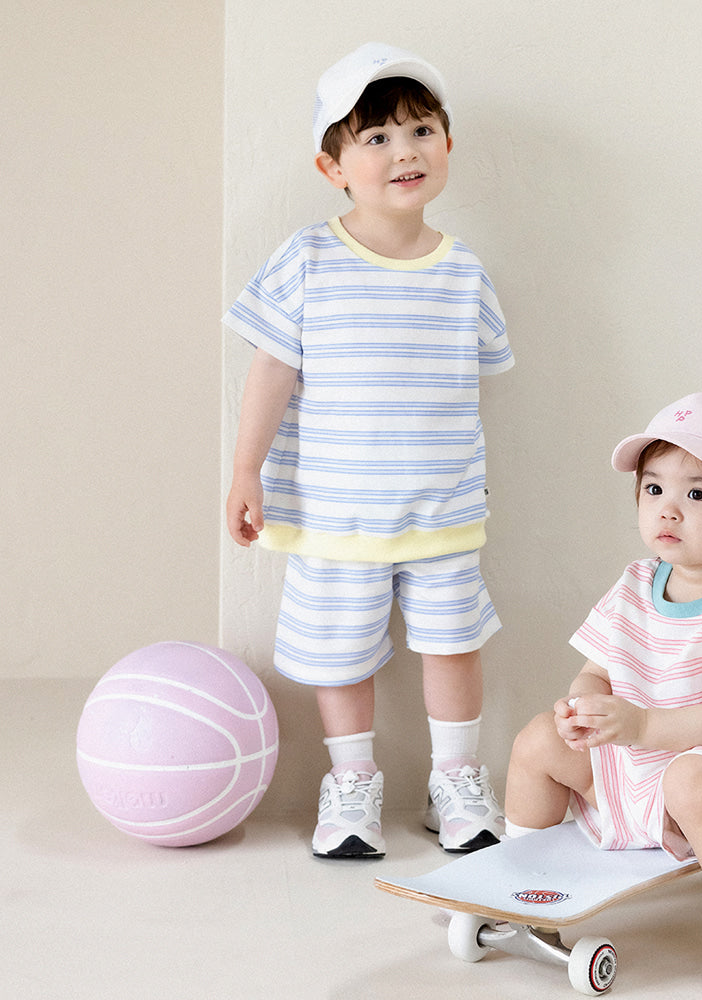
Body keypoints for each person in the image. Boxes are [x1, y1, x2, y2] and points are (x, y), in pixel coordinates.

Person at [224, 43, 513, 859]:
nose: (403, 151)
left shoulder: (464, 272)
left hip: (442, 509)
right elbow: (271, 370)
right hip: (334, 509)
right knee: (338, 652)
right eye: (376, 138)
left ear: (447, 145)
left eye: (420, 131)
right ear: (333, 167)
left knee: (452, 643)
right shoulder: (306, 259)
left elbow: (476, 385)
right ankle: (351, 782)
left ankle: (456, 780)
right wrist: (245, 470)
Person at [505, 392, 702, 1000]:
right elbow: (596, 671)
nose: (668, 509)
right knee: (539, 738)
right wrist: (582, 708)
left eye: (696, 494)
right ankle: (517, 883)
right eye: (653, 489)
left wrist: (642, 726)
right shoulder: (635, 582)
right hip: (641, 770)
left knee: (692, 777)